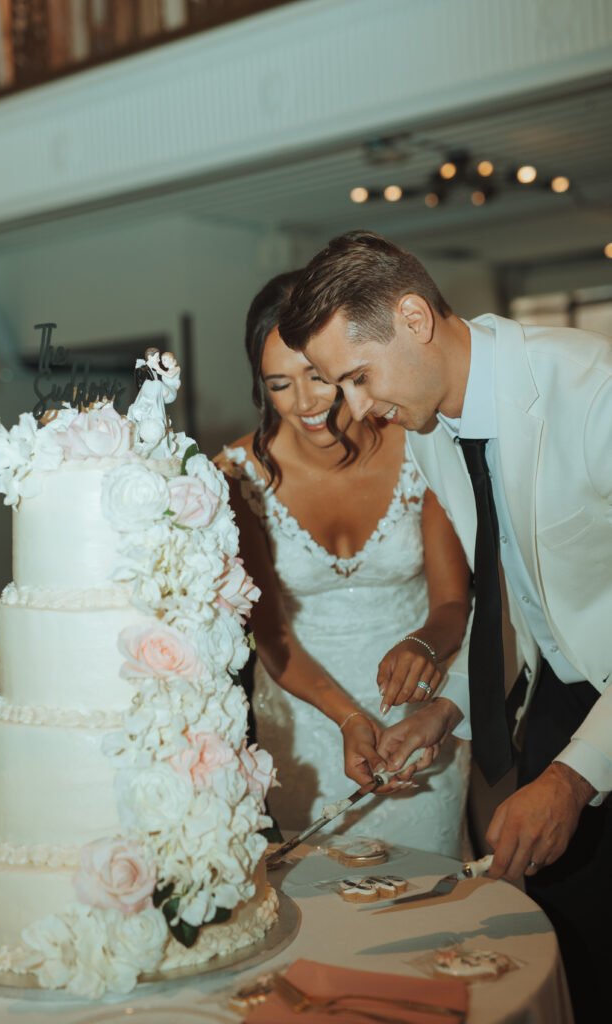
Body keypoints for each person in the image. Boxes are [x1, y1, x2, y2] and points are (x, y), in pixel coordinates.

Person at [277, 229, 612, 1019]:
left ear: (413, 317)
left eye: (356, 378)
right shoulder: (427, 431)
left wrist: (575, 774)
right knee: (577, 951)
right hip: (564, 706)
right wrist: (447, 705)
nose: (353, 411)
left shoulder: (591, 389)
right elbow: (517, 602)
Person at [216, 271, 472, 857]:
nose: (305, 404)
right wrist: (347, 719)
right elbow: (268, 629)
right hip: (304, 714)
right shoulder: (234, 476)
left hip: (418, 711)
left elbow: (454, 602)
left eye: (317, 377)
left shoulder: (419, 442)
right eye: (279, 384)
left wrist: (425, 647)